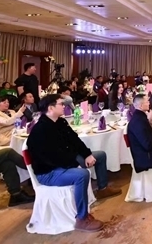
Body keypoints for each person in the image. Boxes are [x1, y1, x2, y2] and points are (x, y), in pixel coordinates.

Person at [26, 94, 121, 232]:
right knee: (82, 175)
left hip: (65, 162)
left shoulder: (60, 122)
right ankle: (82, 218)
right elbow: (49, 158)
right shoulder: (40, 130)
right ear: (51, 108)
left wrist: (87, 154)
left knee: (100, 156)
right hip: (48, 172)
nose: (64, 106)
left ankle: (102, 189)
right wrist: (73, 164)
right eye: (61, 104)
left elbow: (75, 141)